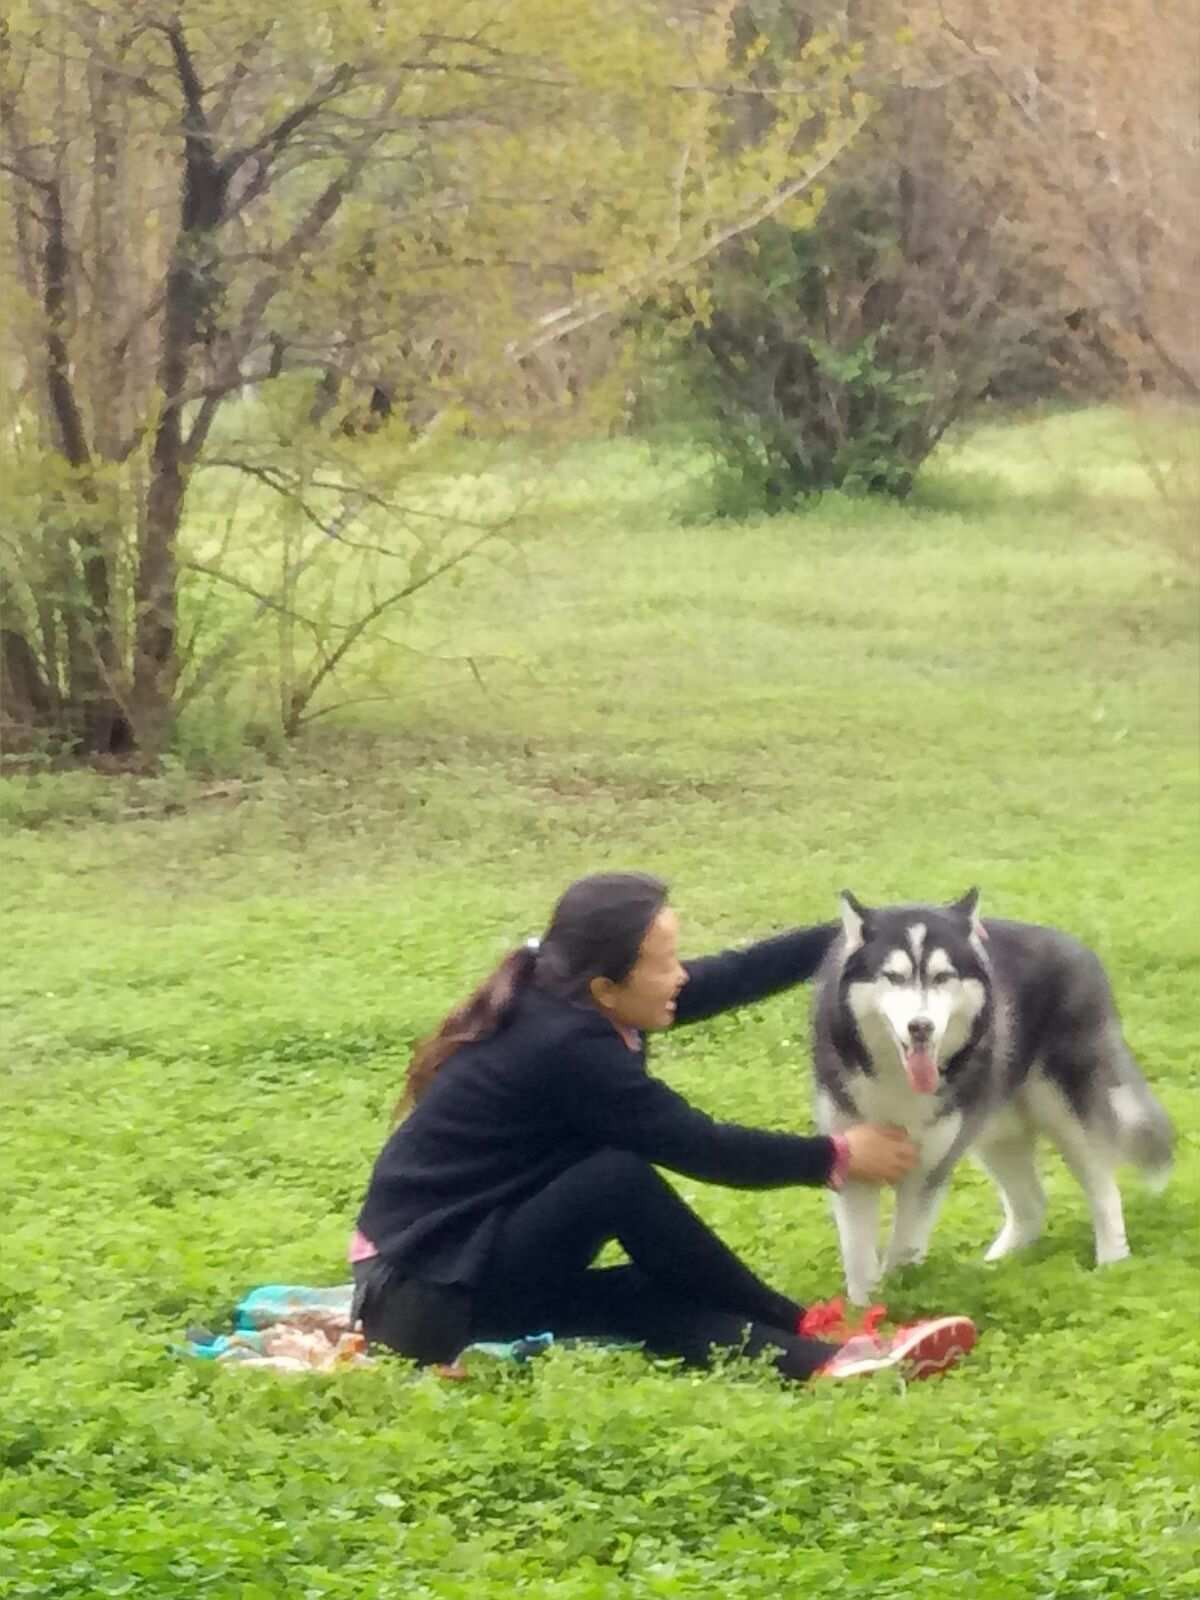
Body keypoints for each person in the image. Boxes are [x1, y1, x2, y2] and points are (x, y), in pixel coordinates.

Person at [350, 873, 977, 1382]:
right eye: (665, 963)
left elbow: (730, 974)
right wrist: (837, 1156)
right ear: (607, 985)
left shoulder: (571, 991)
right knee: (616, 1180)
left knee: (644, 1297)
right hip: (422, 1292)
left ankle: (825, 1365)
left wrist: (866, 936)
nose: (681, 975)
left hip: (445, 1276)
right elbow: (703, 1147)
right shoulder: (568, 1048)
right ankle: (813, 1326)